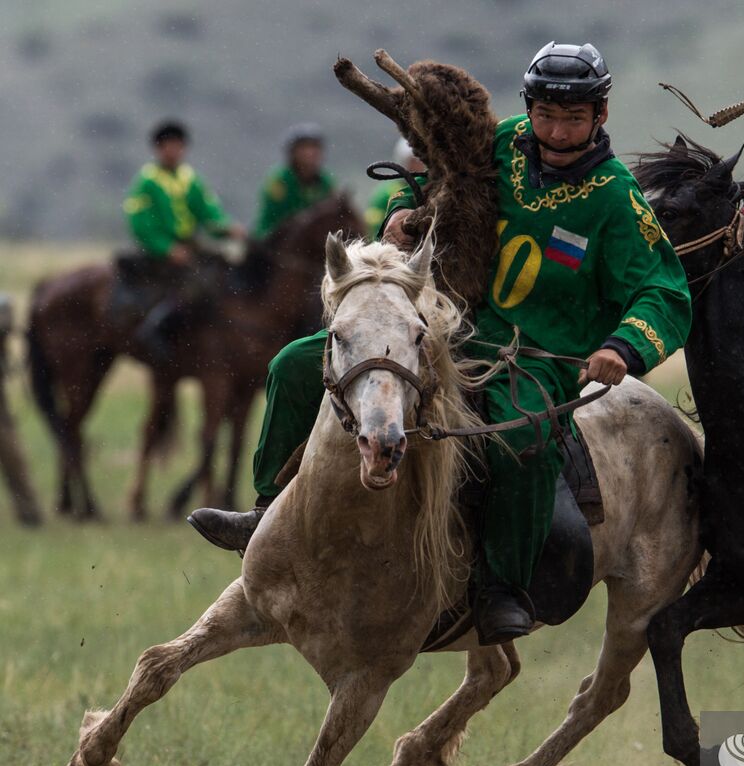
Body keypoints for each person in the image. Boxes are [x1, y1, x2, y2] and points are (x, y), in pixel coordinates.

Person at [188, 42, 691, 645]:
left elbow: (665, 289)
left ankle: (504, 586)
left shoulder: (614, 197)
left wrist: (623, 349)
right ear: (528, 107)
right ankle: (268, 512)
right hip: (445, 327)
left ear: (601, 115)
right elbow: (426, 183)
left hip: (531, 359)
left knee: (521, 435)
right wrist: (402, 214)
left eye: (574, 117)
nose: (557, 130)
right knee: (296, 363)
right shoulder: (497, 142)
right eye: (546, 114)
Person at [118, 120, 245, 359]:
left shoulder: (190, 179)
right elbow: (139, 224)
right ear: (158, 148)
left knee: (226, 268)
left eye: (178, 145)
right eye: (169, 145)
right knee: (195, 283)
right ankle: (155, 328)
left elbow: (209, 213)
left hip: (190, 245)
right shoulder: (147, 181)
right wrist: (167, 248)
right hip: (160, 252)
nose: (174, 150)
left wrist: (227, 228)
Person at [253, 123, 336, 239]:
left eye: (314, 148)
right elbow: (275, 218)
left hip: (309, 241)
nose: (310, 153)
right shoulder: (280, 180)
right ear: (292, 152)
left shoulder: (325, 181)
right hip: (272, 238)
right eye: (304, 148)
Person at [364, 138, 427, 239]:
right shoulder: (383, 194)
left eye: (419, 160)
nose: (418, 164)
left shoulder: (429, 186)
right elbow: (374, 226)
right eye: (413, 161)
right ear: (403, 161)